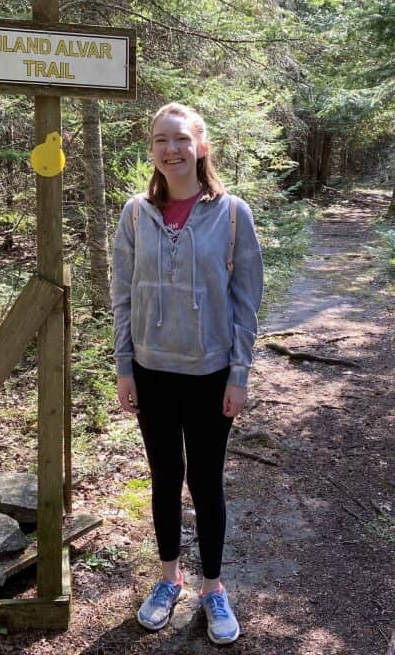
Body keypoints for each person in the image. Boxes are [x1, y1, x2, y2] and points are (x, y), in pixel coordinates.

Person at [111, 102, 263, 645]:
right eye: (159, 140)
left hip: (209, 373)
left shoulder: (232, 213)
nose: (170, 149)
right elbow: (122, 296)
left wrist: (239, 374)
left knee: (205, 482)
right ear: (151, 150)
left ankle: (213, 589)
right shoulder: (135, 213)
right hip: (152, 372)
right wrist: (124, 366)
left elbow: (246, 302)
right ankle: (166, 578)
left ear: (201, 145)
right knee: (164, 479)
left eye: (179, 139)